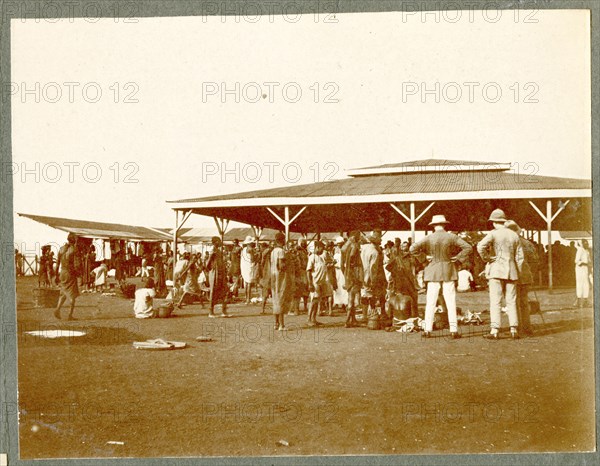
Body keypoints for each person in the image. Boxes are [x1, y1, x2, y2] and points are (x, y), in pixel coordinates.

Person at [410, 215, 472, 339]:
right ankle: (453, 330)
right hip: (448, 270)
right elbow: (468, 247)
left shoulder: (428, 238)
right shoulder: (452, 237)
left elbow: (412, 248)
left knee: (431, 302)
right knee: (450, 301)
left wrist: (424, 258)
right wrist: (458, 259)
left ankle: (427, 329)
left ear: (433, 226)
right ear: (444, 225)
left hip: (432, 271)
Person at [477, 209, 524, 340]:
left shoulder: (493, 234)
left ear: (493, 222)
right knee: (511, 301)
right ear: (504, 221)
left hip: (496, 270)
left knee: (495, 301)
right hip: (512, 271)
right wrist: (517, 271)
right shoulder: (515, 235)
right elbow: (520, 257)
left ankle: (495, 330)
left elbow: (480, 246)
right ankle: (514, 329)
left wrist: (487, 258)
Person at [505, 220, 538, 336]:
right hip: (525, 275)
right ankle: (527, 327)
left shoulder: (508, 243)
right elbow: (535, 260)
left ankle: (516, 326)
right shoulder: (527, 243)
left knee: (513, 301)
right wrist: (530, 272)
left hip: (512, 276)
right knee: (524, 301)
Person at [361, 230, 388, 323]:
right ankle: (380, 313)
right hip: (376, 274)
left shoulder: (365, 249)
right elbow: (373, 268)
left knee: (366, 295)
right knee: (380, 294)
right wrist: (373, 280)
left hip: (364, 274)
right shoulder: (375, 252)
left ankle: (368, 314)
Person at [54, 233, 81, 320]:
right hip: (70, 273)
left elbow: (57, 263)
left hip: (62, 272)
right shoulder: (74, 249)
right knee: (72, 295)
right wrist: (78, 273)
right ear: (74, 240)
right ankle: (70, 315)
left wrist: (56, 275)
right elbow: (77, 264)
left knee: (63, 293)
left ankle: (57, 309)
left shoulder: (62, 249)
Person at [271, 232, 294, 330]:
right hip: (281, 278)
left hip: (274, 277)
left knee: (276, 300)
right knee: (281, 299)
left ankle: (276, 324)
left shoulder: (273, 251)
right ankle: (281, 325)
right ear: (282, 240)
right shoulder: (281, 251)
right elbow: (281, 265)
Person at [341, 230, 363, 327]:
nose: (360, 237)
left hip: (348, 274)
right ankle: (347, 321)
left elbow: (343, 264)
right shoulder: (354, 246)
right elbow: (352, 257)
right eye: (359, 236)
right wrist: (355, 272)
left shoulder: (346, 247)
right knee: (351, 298)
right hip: (354, 274)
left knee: (351, 297)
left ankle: (353, 319)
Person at [306, 240, 330, 326]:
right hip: (314, 282)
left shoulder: (321, 257)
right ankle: (309, 319)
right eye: (321, 248)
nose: (322, 250)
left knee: (317, 302)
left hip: (321, 282)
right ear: (317, 248)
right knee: (313, 301)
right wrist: (310, 283)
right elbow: (308, 271)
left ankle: (314, 319)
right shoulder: (312, 257)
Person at [206, 237, 229, 317]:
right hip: (214, 272)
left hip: (220, 272)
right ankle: (211, 312)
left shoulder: (218, 250)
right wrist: (210, 268)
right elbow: (208, 262)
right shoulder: (213, 250)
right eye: (219, 241)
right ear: (215, 242)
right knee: (213, 291)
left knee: (223, 290)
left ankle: (223, 311)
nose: (220, 242)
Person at [293, 239, 310, 314]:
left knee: (305, 291)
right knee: (298, 291)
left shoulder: (304, 252)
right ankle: (296, 309)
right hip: (299, 272)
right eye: (302, 243)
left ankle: (305, 307)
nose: (304, 244)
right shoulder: (297, 252)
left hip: (304, 271)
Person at [241, 236, 259, 304]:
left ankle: (246, 298)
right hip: (249, 267)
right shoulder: (250, 249)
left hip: (244, 266)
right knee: (249, 283)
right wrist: (256, 256)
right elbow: (252, 259)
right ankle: (248, 299)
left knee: (245, 282)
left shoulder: (244, 249)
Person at [574, 239, 591, 308]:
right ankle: (578, 301)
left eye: (587, 243)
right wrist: (584, 263)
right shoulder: (580, 250)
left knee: (586, 284)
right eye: (585, 243)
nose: (586, 244)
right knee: (580, 284)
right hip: (580, 269)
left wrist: (589, 264)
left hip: (586, 269)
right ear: (582, 244)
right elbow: (576, 261)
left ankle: (585, 301)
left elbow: (589, 260)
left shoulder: (587, 251)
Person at [332, 236, 348, 311]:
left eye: (340, 244)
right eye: (337, 244)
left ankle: (345, 303)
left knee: (343, 286)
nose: (338, 245)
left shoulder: (345, 250)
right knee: (337, 286)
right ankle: (338, 303)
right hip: (337, 270)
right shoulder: (336, 251)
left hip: (343, 270)